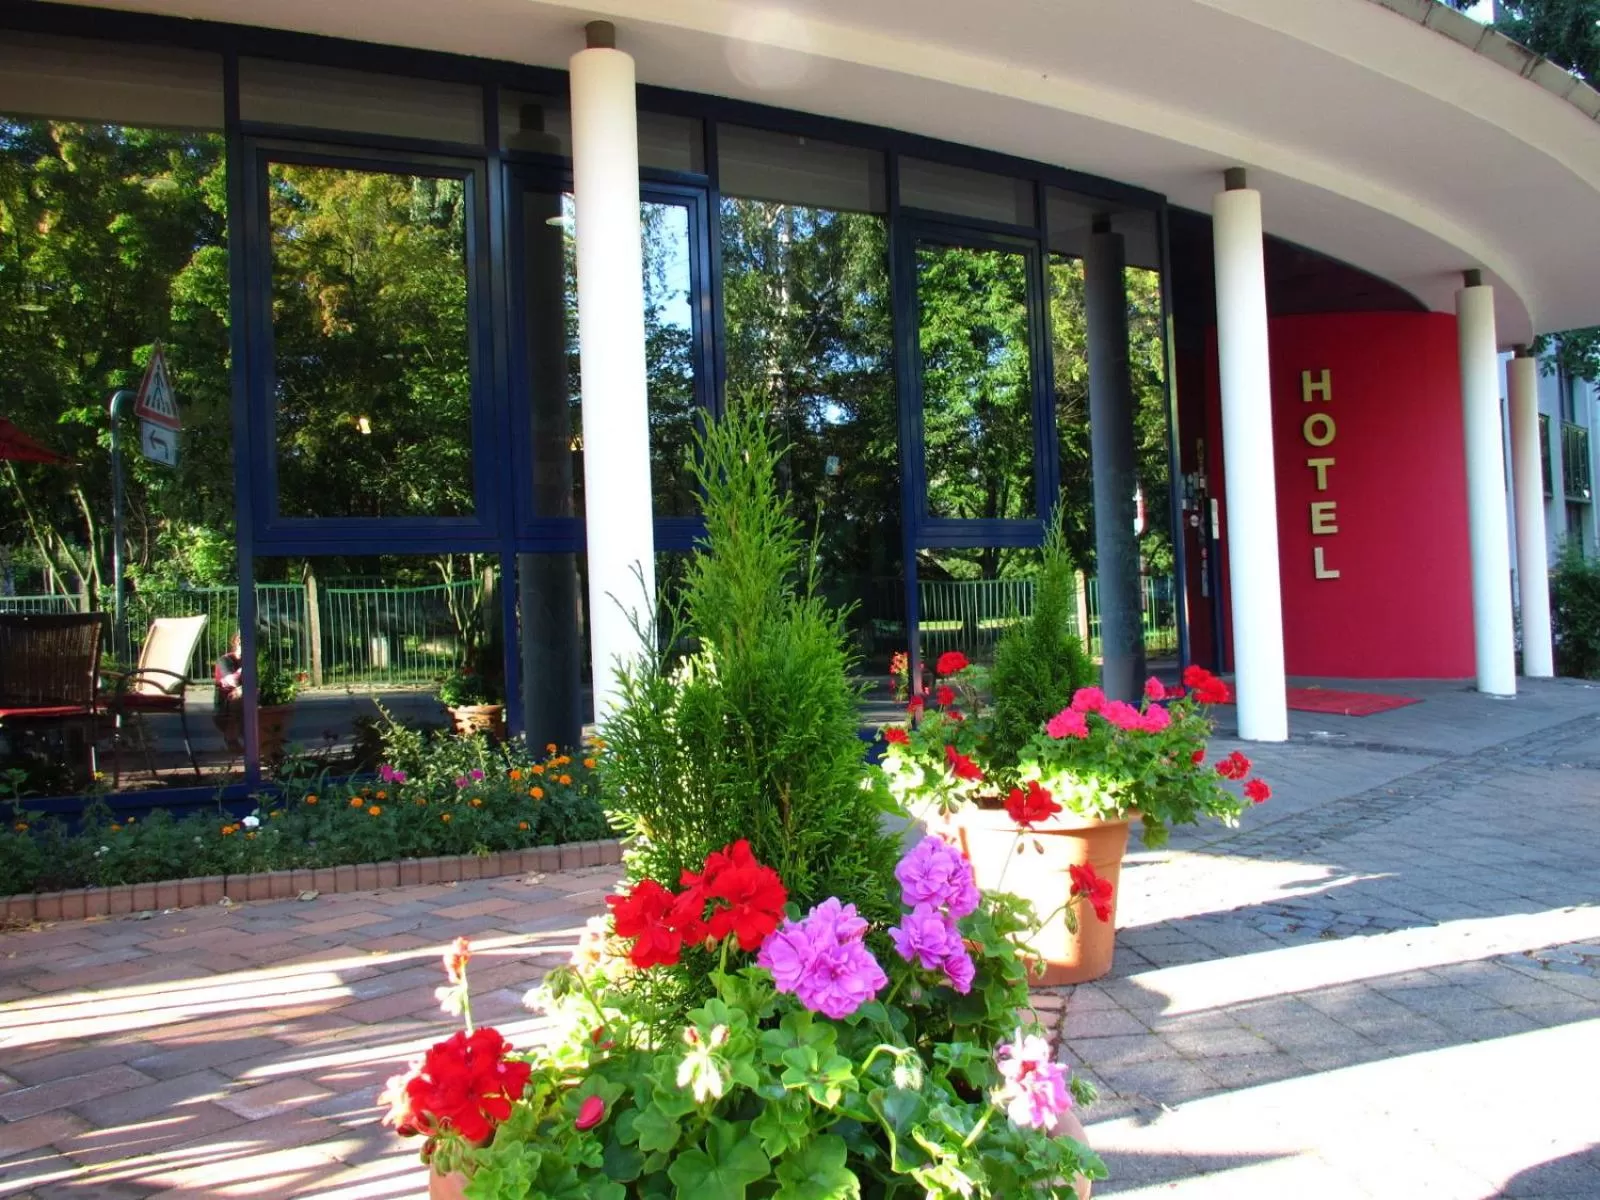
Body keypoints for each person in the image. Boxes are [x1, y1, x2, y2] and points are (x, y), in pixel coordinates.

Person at [213, 630, 244, 752]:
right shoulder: (224, 660)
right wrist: (244, 668)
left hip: (245, 704)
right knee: (242, 693)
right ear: (236, 641)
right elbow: (232, 682)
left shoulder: (252, 660)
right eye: (241, 639)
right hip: (225, 707)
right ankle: (231, 738)